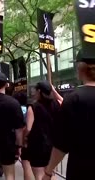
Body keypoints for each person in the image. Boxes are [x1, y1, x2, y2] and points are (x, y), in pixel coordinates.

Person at [43, 52, 95, 180]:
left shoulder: (73, 100)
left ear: (80, 69)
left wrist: (48, 172)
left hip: (81, 172)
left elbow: (61, 145)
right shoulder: (72, 99)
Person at [25, 81, 60, 180]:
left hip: (37, 146)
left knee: (39, 175)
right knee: (51, 174)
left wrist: (24, 138)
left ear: (39, 91)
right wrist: (55, 93)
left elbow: (28, 128)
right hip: (53, 146)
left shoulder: (33, 107)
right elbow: (63, 101)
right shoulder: (56, 104)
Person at [13, 91, 34, 180]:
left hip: (20, 139)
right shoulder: (29, 108)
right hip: (31, 139)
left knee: (26, 165)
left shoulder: (16, 109)